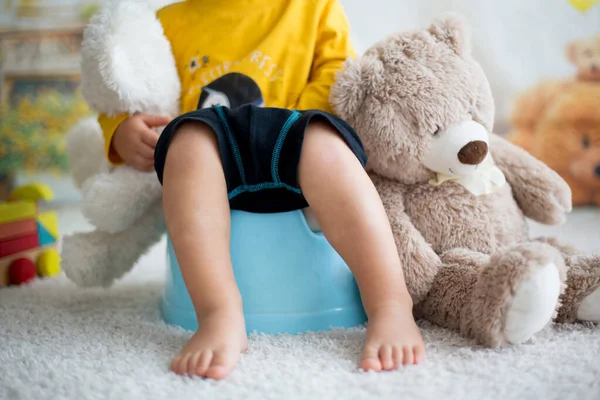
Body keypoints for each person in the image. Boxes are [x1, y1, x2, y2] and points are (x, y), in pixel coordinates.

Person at [97, 0, 424, 380]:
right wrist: (120, 131)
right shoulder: (163, 24)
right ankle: (218, 312)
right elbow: (132, 90)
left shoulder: (314, 7)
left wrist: (289, 124)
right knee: (184, 143)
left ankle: (390, 303)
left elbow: (340, 71)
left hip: (292, 132)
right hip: (213, 148)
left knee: (328, 145)